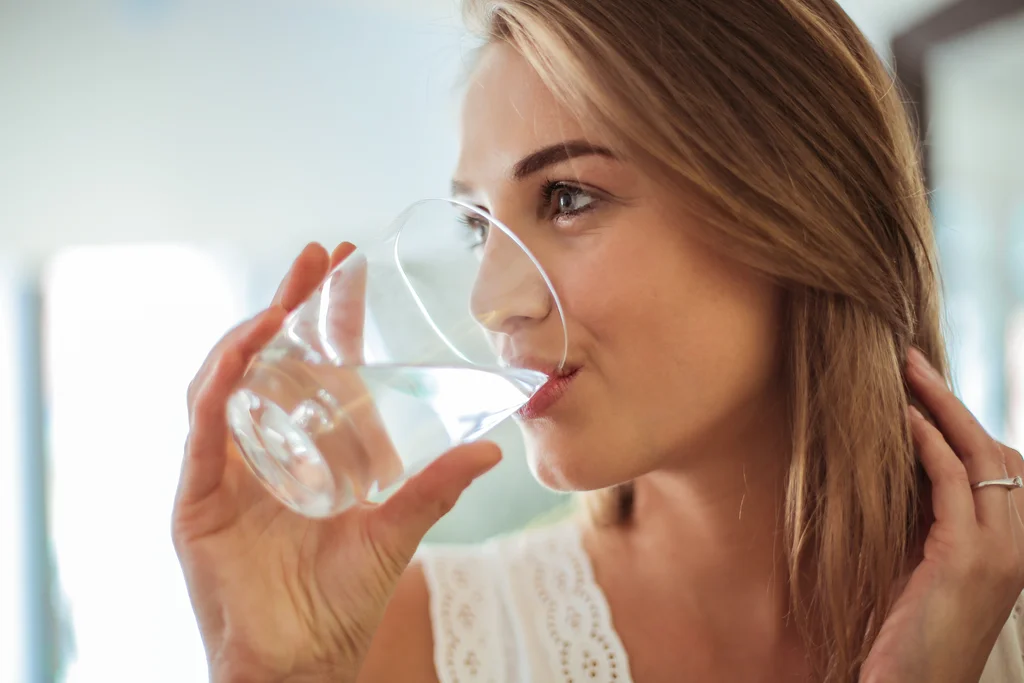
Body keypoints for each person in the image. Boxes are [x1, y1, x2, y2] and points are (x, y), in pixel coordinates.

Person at [172, 0, 1024, 681]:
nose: (490, 301)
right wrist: (278, 674)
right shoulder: (405, 649)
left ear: (798, 215)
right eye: (480, 228)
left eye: (569, 197)